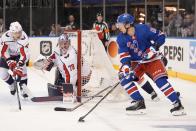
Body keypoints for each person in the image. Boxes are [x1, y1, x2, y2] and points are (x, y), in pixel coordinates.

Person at [116, 13, 185, 116]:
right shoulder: (121, 38)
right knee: (124, 77)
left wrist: (155, 47)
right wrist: (126, 67)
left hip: (152, 59)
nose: (119, 27)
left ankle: (177, 104)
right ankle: (139, 102)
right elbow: (124, 55)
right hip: (136, 62)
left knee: (160, 80)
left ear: (128, 25)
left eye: (121, 25)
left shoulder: (143, 29)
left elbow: (161, 36)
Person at [0, 21, 30, 98]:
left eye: (19, 32)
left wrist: (19, 64)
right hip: (8, 55)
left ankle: (23, 88)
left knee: (22, 71)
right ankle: (12, 84)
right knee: (2, 74)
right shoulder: (5, 37)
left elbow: (24, 54)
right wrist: (9, 61)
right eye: (16, 33)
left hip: (20, 55)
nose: (19, 34)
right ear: (11, 32)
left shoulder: (24, 37)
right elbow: (3, 51)